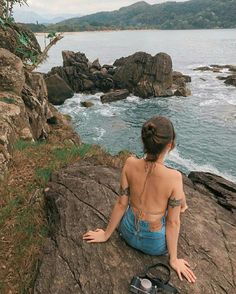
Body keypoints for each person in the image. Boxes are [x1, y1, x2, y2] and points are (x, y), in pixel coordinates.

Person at [83, 116, 196, 283]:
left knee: (176, 197)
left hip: (127, 231)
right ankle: (182, 205)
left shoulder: (129, 163)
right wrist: (173, 260)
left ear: (144, 141)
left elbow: (122, 203)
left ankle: (182, 204)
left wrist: (106, 234)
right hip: (154, 244)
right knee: (176, 199)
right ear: (170, 145)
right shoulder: (174, 177)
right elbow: (173, 223)